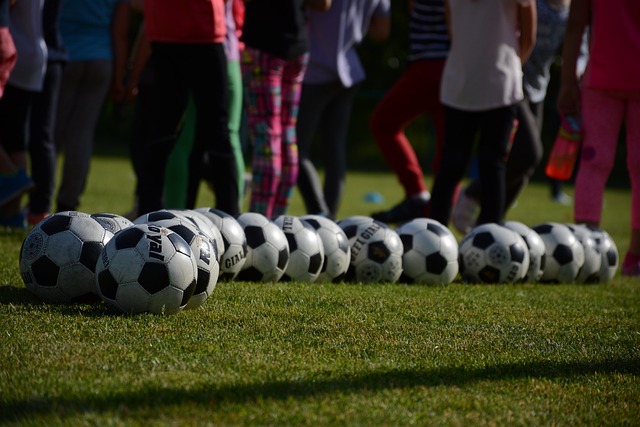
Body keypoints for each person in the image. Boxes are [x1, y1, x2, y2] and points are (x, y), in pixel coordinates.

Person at [452, 0, 580, 233]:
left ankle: (489, 229)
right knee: (530, 153)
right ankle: (473, 194)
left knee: (524, 168)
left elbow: (579, 46)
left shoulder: (572, 10)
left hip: (537, 87)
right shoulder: (536, 4)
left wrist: (575, 78)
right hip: (512, 81)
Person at [427, 0, 536, 228]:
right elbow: (528, 36)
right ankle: (488, 236)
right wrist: (510, 63)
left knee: (455, 164)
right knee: (489, 163)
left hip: (467, 80)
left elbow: (452, 27)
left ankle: (434, 235)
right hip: (494, 80)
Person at [557, 0, 640, 276]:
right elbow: (575, 25)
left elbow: (575, 26)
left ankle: (589, 250)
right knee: (600, 162)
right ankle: (597, 249)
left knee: (598, 163)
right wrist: (568, 81)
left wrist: (568, 81)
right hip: (600, 82)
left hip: (601, 79)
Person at [138, 0, 240, 216]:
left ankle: (147, 218)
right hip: (201, 30)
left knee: (161, 132)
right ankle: (230, 218)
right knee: (217, 134)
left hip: (166, 29)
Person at [296, 0, 390, 220]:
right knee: (334, 149)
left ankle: (320, 214)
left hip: (315, 68)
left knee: (294, 148)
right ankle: (328, 219)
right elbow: (382, 31)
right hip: (349, 68)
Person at [241, 0, 332, 219]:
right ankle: (277, 221)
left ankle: (258, 221)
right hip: (298, 46)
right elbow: (324, 3)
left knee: (267, 135)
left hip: (264, 44)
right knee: (287, 136)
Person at [369, 0, 450, 224]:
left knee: (383, 123)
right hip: (449, 68)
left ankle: (421, 199)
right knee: (451, 145)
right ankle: (434, 207)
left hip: (431, 66)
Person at [164, 0, 247, 212]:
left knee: (187, 139)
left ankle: (175, 213)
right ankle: (230, 215)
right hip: (224, 52)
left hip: (205, 47)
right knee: (227, 135)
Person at [54, 0, 130, 212]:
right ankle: (68, 202)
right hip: (101, 59)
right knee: (82, 134)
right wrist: (119, 78)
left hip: (65, 54)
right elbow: (120, 33)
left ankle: (39, 204)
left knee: (52, 135)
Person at [0, 0, 46, 228]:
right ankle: (12, 212)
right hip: (33, 53)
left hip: (14, 44)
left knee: (13, 131)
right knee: (15, 134)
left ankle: (12, 177)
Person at [26, 0, 67, 226]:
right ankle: (38, 208)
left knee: (22, 135)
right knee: (42, 135)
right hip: (52, 55)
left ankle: (18, 191)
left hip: (29, 55)